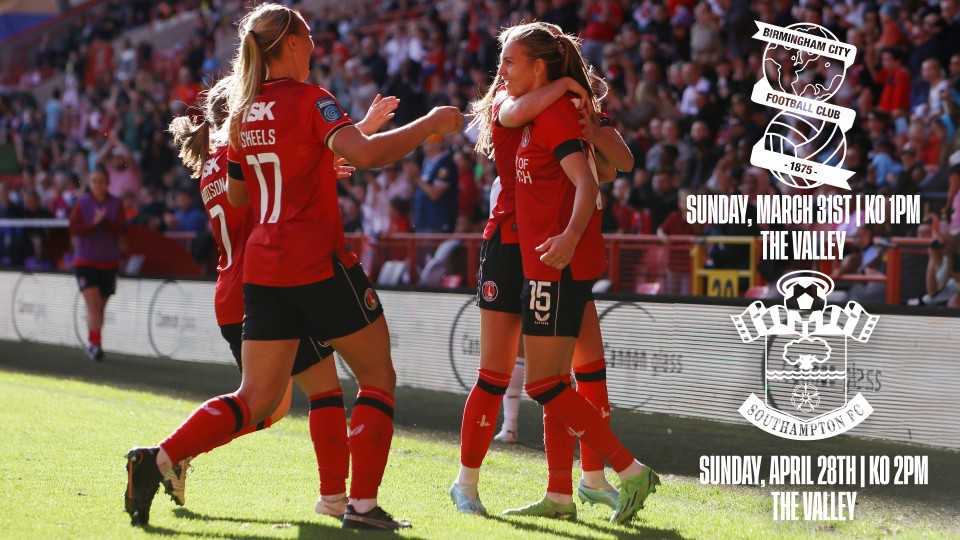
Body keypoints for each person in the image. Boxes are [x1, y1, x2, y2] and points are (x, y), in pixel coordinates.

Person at [124, 3, 462, 530]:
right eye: (308, 36)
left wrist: (307, 166)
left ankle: (161, 458)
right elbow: (368, 156)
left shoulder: (241, 113)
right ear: (292, 43)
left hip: (261, 269)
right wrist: (430, 125)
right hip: (316, 260)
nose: (315, 45)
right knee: (376, 377)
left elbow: (240, 192)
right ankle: (362, 507)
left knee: (257, 397)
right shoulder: (312, 100)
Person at [164, 75, 402, 517]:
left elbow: (278, 176)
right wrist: (357, 136)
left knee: (289, 400)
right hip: (270, 283)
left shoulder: (215, 167)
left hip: (232, 290)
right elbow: (282, 192)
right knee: (279, 402)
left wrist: (346, 140)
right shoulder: (252, 156)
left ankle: (332, 498)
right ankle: (172, 453)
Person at [453, 22, 654, 524]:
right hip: (513, 245)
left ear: (539, 66)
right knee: (506, 374)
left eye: (510, 61)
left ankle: (586, 483)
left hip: (552, 249)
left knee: (570, 375)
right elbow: (517, 111)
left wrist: (594, 131)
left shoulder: (565, 110)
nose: (499, 71)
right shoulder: (514, 102)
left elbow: (614, 166)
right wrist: (568, 89)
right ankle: (472, 484)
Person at [69, 166, 127, 361]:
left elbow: (121, 229)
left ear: (107, 183)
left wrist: (104, 223)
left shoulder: (116, 204)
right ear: (90, 183)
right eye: (94, 181)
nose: (98, 185)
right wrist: (93, 224)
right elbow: (74, 228)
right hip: (85, 260)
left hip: (109, 262)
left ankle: (91, 342)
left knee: (99, 307)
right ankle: (96, 344)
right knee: (93, 303)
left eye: (101, 181)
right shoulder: (82, 203)